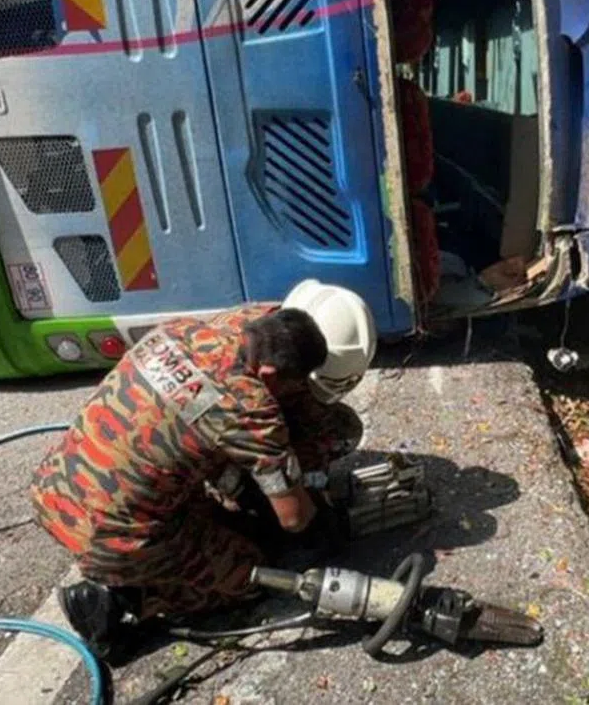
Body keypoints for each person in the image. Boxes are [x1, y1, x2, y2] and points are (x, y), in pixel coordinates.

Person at [30, 280, 376, 657]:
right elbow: (294, 519)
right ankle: (122, 600)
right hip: (113, 539)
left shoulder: (185, 329)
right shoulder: (252, 410)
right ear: (274, 373)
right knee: (250, 572)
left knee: (220, 512)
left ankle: (154, 555)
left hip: (53, 488)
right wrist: (315, 515)